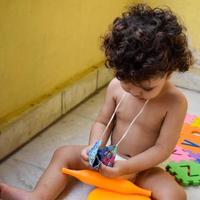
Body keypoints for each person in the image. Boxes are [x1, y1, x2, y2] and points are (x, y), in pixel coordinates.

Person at [0, 3, 193, 200]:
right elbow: (102, 122)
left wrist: (129, 167)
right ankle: (38, 196)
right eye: (128, 84)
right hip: (106, 160)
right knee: (64, 153)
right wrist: (94, 149)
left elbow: (162, 149)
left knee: (175, 195)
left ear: (169, 72)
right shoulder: (115, 87)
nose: (135, 92)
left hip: (142, 169)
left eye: (147, 88)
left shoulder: (175, 102)